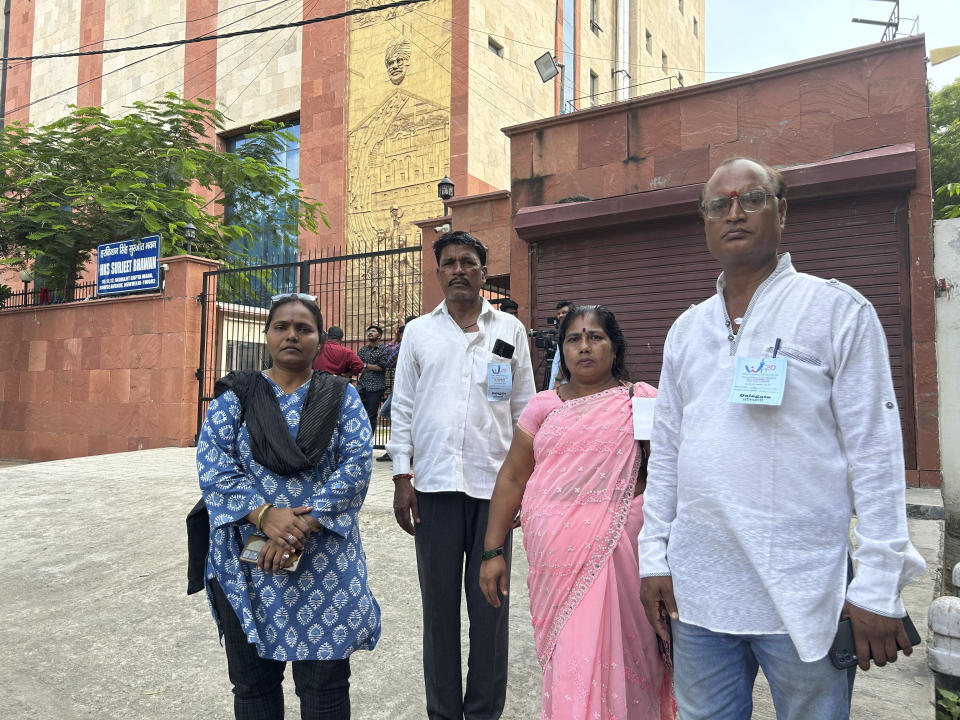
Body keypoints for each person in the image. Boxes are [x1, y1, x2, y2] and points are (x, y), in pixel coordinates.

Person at [637, 157, 926, 720]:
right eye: (719, 204)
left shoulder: (836, 310)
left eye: (753, 198)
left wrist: (878, 583)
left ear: (783, 210)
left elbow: (875, 452)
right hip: (700, 594)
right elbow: (666, 454)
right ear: (705, 222)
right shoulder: (687, 329)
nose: (735, 212)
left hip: (805, 591)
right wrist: (654, 558)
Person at [480, 305, 675, 720]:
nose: (584, 347)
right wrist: (492, 551)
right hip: (555, 559)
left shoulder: (640, 399)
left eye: (596, 337)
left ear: (614, 345)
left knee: (630, 654)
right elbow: (513, 478)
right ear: (562, 350)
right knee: (570, 655)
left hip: (623, 552)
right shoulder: (542, 405)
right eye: (574, 339)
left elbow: (665, 476)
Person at [197, 293, 381, 720]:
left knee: (325, 687)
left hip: (324, 560)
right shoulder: (237, 396)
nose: (292, 335)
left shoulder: (341, 397)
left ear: (320, 341)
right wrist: (265, 516)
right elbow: (214, 465)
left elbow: (356, 464)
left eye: (304, 328)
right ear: (267, 336)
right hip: (246, 560)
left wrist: (300, 527)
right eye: (281, 326)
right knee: (253, 686)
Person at [388, 230, 536, 720]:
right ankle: (444, 712)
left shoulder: (510, 331)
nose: (459, 270)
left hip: (495, 490)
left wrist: (524, 489)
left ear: (483, 271)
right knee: (440, 613)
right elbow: (403, 407)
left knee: (491, 608)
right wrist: (402, 477)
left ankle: (483, 712)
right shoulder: (419, 333)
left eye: (468, 262)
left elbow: (526, 412)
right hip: (433, 489)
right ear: (438, 272)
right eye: (449, 262)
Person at [376, 315, 418, 462]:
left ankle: (402, 449)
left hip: (404, 386)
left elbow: (390, 360)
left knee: (391, 413)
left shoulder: (407, 342)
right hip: (416, 387)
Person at [357, 324, 389, 437]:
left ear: (379, 336)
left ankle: (368, 439)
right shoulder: (363, 350)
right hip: (362, 385)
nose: (370, 333)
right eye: (369, 331)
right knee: (358, 413)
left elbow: (381, 367)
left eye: (373, 331)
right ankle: (359, 437)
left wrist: (365, 365)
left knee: (371, 415)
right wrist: (370, 366)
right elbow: (358, 366)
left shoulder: (383, 349)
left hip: (376, 387)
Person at [547, 300, 575, 390]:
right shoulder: (564, 331)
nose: (561, 316)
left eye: (564, 313)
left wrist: (558, 380)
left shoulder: (572, 332)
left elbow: (565, 358)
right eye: (559, 314)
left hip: (564, 380)